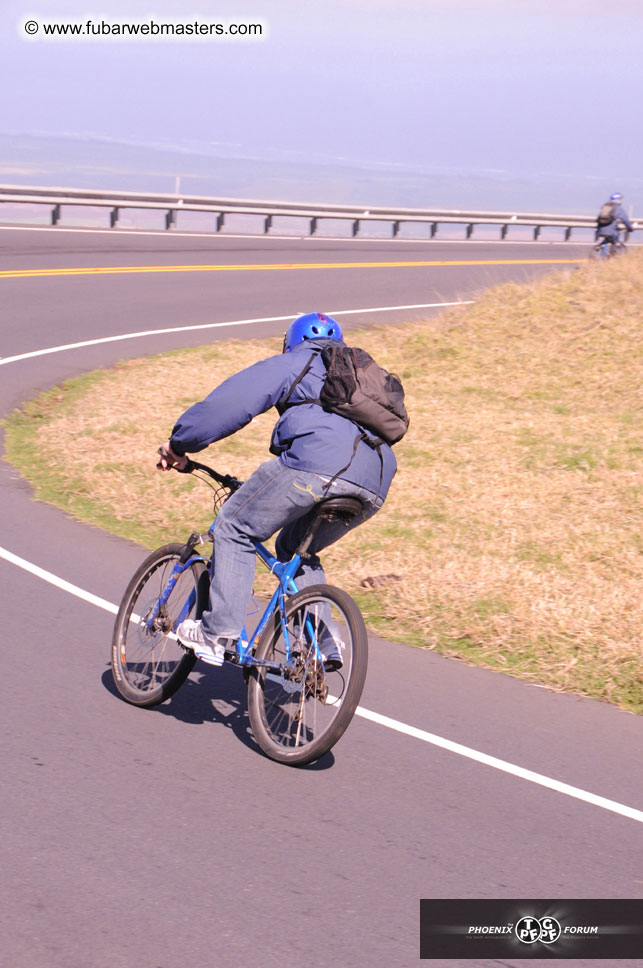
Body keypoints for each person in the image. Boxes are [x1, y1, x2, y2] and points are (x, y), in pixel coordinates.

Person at [157, 312, 398, 667]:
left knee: (235, 527)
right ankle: (324, 646)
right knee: (296, 549)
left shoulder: (297, 361)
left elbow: (229, 404)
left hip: (315, 466)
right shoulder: (357, 376)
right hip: (374, 481)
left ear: (291, 342)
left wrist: (181, 444)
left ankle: (217, 633)